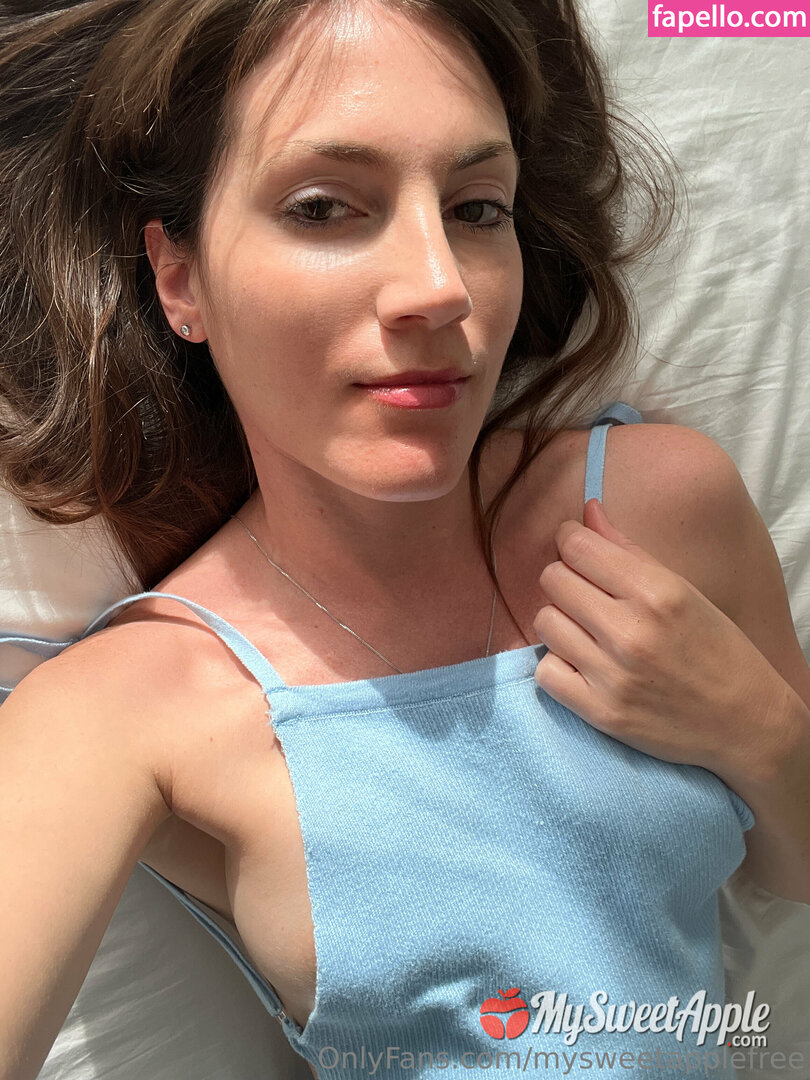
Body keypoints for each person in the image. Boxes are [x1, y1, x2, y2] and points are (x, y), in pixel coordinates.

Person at [1, 0, 808, 1078]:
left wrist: (760, 731)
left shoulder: (658, 508)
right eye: (325, 207)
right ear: (179, 277)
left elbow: (794, 874)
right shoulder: (122, 709)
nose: (441, 285)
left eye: (477, 209)